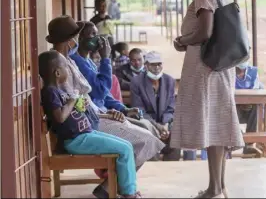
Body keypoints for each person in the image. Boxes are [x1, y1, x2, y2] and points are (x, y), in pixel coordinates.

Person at [46, 16, 161, 198]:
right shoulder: (60, 66)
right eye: (76, 36)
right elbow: (84, 99)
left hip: (91, 119)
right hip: (82, 129)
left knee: (145, 135)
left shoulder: (69, 61)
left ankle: (117, 186)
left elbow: (85, 100)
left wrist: (110, 111)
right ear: (71, 40)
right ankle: (119, 188)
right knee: (143, 141)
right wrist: (106, 59)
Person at [170, 0, 244, 198]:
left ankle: (214, 188)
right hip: (220, 67)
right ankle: (219, 186)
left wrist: (181, 40)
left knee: (213, 127)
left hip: (206, 68)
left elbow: (204, 33)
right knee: (218, 128)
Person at [39, 50, 140, 199]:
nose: (68, 70)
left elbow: (68, 112)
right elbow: (60, 117)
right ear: (57, 73)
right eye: (66, 67)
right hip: (76, 140)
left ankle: (128, 189)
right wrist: (72, 101)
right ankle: (129, 193)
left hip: (85, 134)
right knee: (124, 149)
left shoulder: (58, 91)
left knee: (127, 145)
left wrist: (80, 104)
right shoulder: (50, 92)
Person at [130, 51, 182, 161]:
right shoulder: (137, 81)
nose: (157, 67)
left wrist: (166, 124)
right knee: (146, 129)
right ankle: (154, 165)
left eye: (159, 64)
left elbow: (171, 107)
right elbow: (139, 110)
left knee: (176, 129)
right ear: (146, 66)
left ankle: (172, 166)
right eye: (153, 64)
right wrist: (157, 126)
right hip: (147, 121)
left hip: (165, 122)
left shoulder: (169, 81)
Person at [236, 61, 264, 154]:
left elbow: (255, 90)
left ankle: (249, 144)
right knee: (228, 107)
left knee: (256, 108)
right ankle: (237, 135)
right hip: (235, 108)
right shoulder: (229, 72)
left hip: (249, 107)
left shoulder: (253, 72)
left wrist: (247, 101)